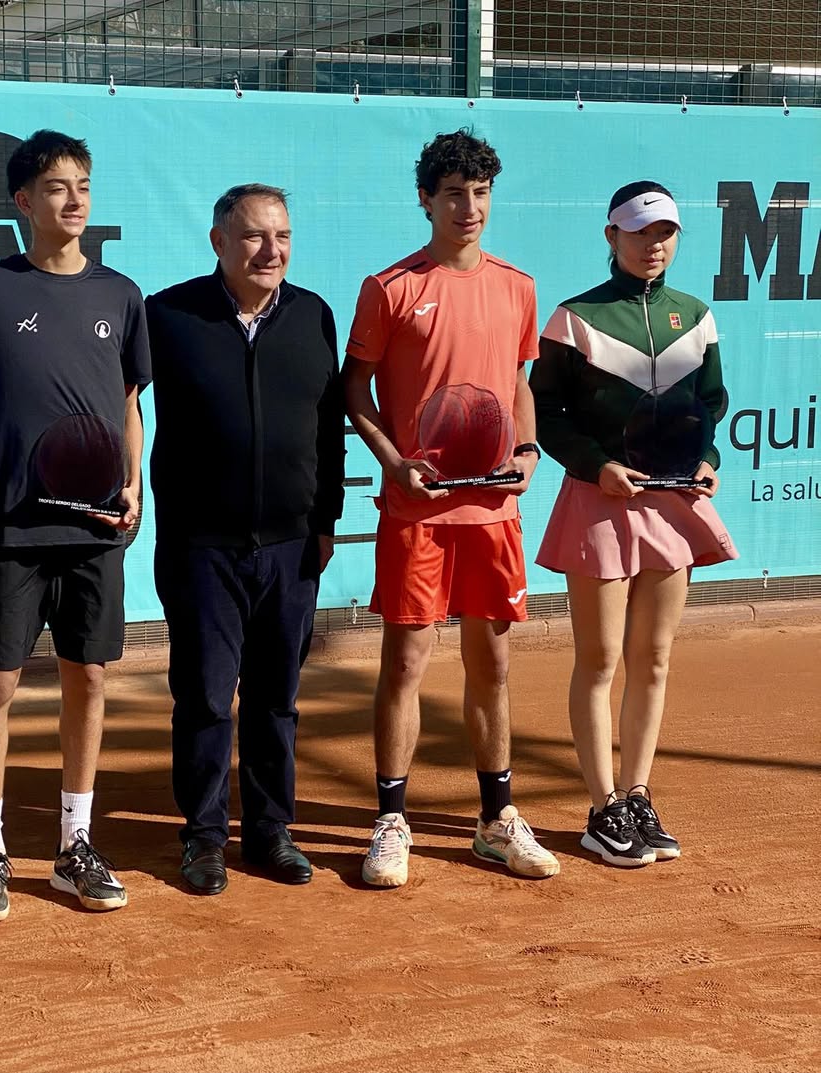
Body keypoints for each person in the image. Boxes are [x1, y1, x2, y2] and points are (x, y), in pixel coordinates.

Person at [343, 129, 560, 888]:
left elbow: (519, 381)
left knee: (492, 664)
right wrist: (395, 462)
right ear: (426, 199)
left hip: (494, 515)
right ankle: (391, 819)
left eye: (481, 193)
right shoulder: (391, 287)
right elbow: (354, 389)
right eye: (454, 194)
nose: (470, 207)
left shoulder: (517, 285)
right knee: (404, 663)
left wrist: (528, 452)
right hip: (418, 514)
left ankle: (496, 818)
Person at [0, 130, 151, 920]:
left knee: (89, 678)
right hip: (11, 525)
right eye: (58, 186)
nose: (75, 199)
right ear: (24, 201)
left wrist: (136, 483)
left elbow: (130, 405)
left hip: (97, 525)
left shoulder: (120, 294)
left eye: (85, 185)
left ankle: (74, 843)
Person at [529, 181, 738, 867]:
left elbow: (712, 401)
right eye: (641, 232)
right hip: (603, 499)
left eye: (666, 232)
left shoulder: (696, 317)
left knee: (652, 657)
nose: (655, 244)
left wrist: (706, 459)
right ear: (611, 236)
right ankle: (602, 809)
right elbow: (547, 412)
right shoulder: (574, 318)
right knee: (599, 659)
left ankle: (637, 792)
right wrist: (595, 465)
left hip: (673, 503)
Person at [146, 184, 345, 895]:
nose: (272, 250)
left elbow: (329, 427)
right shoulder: (167, 315)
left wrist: (325, 520)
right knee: (203, 695)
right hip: (202, 546)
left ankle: (269, 831)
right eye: (256, 236)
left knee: (274, 697)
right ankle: (202, 839)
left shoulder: (314, 314)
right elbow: (117, 404)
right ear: (219, 243)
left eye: (283, 235)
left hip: (292, 547)